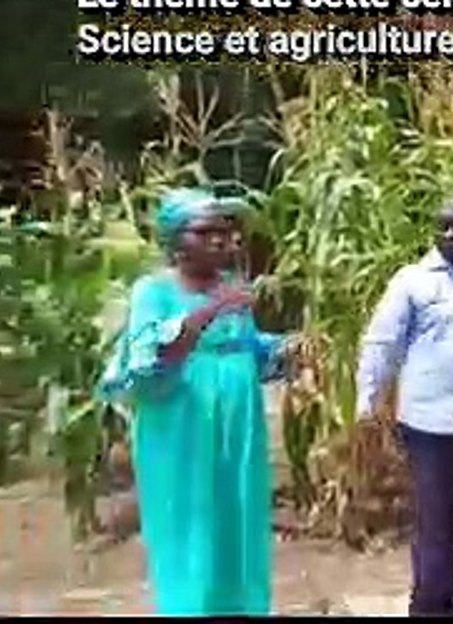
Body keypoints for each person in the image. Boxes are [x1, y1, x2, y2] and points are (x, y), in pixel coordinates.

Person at [98, 187, 291, 615]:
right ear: (176, 241)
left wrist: (285, 350)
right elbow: (150, 357)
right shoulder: (154, 291)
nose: (220, 242)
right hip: (183, 430)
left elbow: (244, 348)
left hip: (238, 429)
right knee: (190, 520)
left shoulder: (230, 290)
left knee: (237, 518)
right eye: (205, 233)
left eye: (224, 233)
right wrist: (209, 311)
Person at [355, 199, 453, 617]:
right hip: (427, 423)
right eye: (444, 228)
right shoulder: (413, 282)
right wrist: (368, 401)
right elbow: (382, 343)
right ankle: (430, 606)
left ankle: (443, 598)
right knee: (435, 522)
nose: (451, 236)